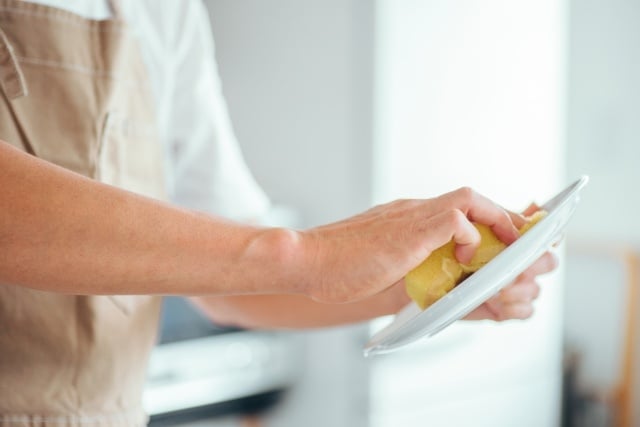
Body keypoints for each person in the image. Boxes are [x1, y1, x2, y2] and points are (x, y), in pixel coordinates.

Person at [0, 0, 558, 426]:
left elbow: (231, 284)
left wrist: (435, 286)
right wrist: (305, 253)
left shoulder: (164, 12)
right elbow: (279, 259)